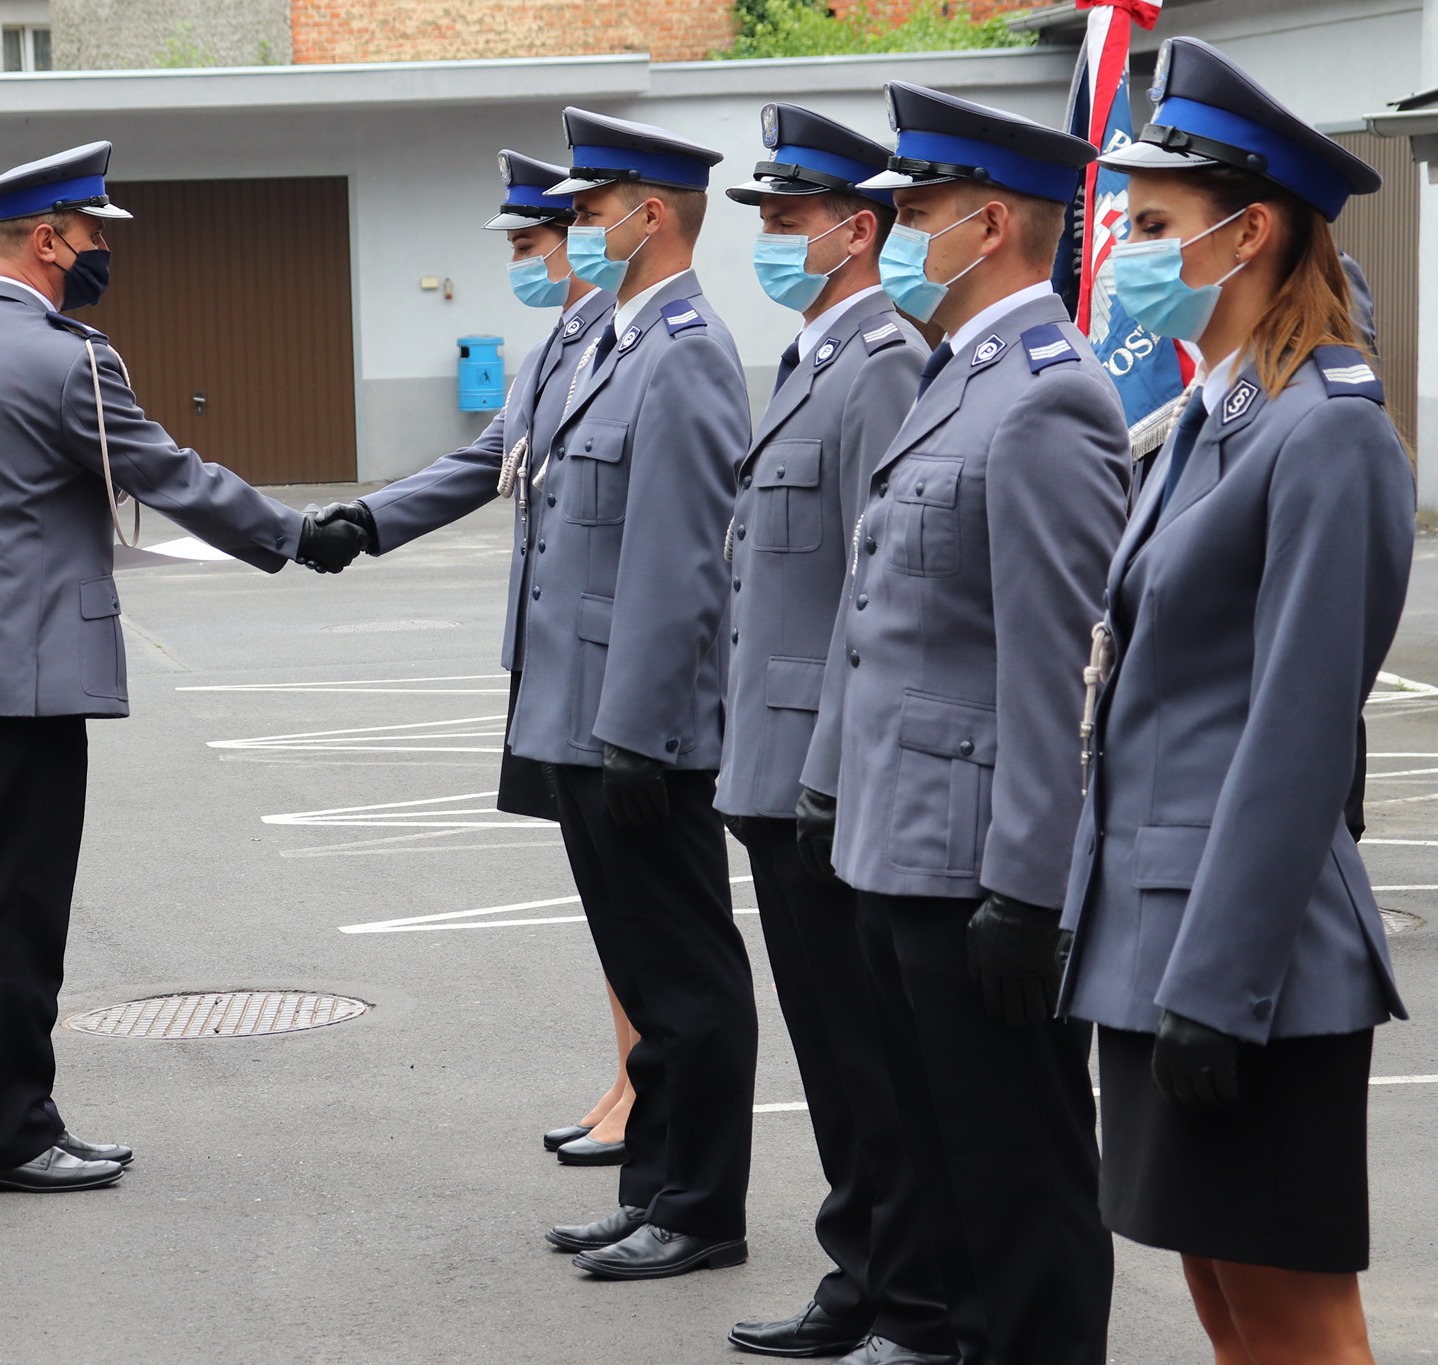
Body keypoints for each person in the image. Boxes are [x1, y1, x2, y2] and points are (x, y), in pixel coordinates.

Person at [0, 143, 366, 1195]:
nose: (99, 253)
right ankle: (2, 1139)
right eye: (93, 234)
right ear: (47, 239)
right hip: (33, 668)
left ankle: (16, 1118)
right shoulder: (67, 358)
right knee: (18, 911)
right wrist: (295, 536)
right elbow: (170, 476)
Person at [1059, 36, 1412, 1363]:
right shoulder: (1217, 413)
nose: (1124, 248)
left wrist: (1216, 986)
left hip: (1252, 971)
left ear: (1247, 232)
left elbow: (1299, 734)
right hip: (1164, 950)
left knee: (1293, 1315)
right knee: (1222, 1293)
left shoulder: (1328, 434)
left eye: (1152, 223)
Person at [800, 84, 1127, 1361]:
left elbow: (1059, 669)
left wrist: (1028, 890)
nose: (895, 237)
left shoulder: (1047, 397)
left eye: (917, 212)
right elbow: (879, 618)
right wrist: (833, 786)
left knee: (1014, 1169)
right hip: (898, 839)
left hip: (974, 856)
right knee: (935, 1146)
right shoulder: (955, 379)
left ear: (988, 224)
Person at [310, 150, 636, 1168]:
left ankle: (642, 1084)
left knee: (636, 898)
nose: (521, 262)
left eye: (532, 242)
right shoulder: (557, 347)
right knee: (605, 895)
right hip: (549, 667)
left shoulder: (620, 343)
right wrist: (365, 520)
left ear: (580, 237)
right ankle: (627, 1072)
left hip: (606, 675)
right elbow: (480, 465)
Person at [714, 105, 953, 1365]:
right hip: (769, 760)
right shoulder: (812, 356)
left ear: (852, 231)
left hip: (829, 773)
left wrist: (830, 766)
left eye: (783, 220)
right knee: (825, 1052)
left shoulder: (880, 365)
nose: (763, 238)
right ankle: (858, 1268)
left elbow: (880, 588)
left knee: (868, 1060)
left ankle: (905, 1291)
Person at [505, 107, 756, 1281]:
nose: (575, 229)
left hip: (637, 727)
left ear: (649, 215)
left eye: (591, 210)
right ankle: (652, 1185)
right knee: (643, 971)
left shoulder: (686, 348)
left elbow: (678, 561)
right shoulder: (611, 338)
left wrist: (642, 737)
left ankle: (700, 1208)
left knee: (686, 975)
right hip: (584, 715)